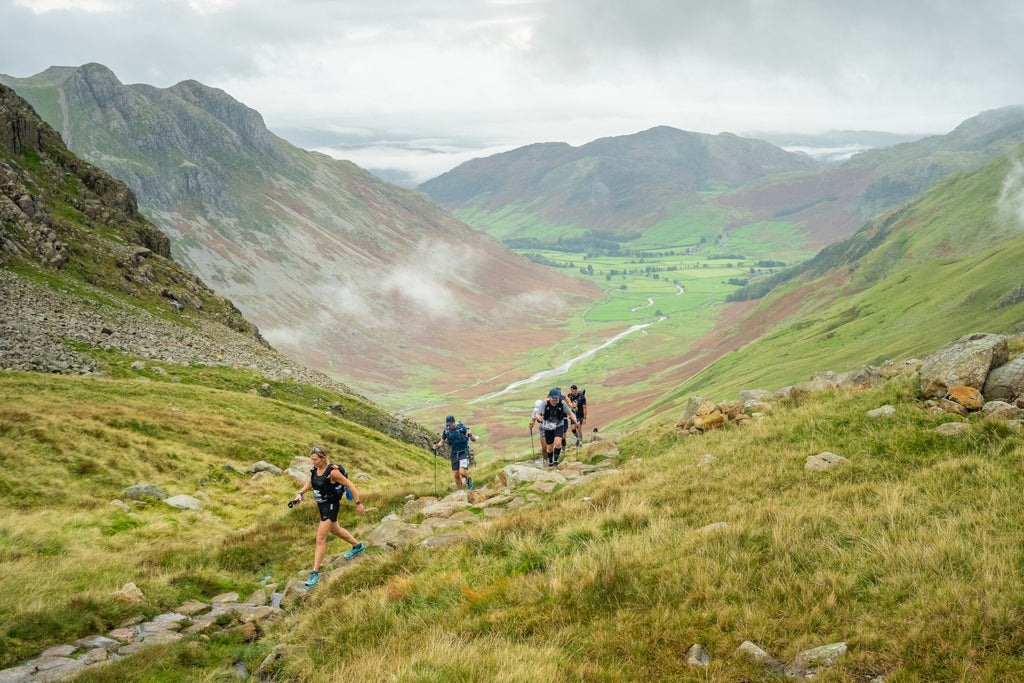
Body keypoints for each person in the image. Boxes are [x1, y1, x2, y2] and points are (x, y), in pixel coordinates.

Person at [291, 445, 366, 587]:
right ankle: (358, 546)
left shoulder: (333, 472)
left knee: (320, 539)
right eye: (311, 460)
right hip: (322, 506)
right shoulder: (314, 470)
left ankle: (314, 574)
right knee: (335, 529)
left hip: (331, 506)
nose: (313, 462)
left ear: (323, 458)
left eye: (315, 460)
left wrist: (358, 503)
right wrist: (300, 494)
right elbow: (310, 483)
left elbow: (350, 485)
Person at [434, 415, 477, 490]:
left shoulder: (462, 428)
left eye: (450, 424)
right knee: (456, 474)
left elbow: (473, 440)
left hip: (463, 452)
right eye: (448, 424)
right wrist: (437, 446)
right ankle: (460, 491)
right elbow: (442, 441)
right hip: (454, 453)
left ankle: (467, 478)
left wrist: (470, 435)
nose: (449, 426)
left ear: (454, 422)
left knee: (462, 472)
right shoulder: (446, 431)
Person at [539, 388, 578, 467]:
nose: (555, 400)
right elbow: (538, 414)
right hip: (548, 427)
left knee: (558, 442)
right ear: (550, 397)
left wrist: (576, 421)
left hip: (559, 425)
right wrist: (539, 418)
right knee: (549, 447)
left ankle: (556, 460)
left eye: (556, 398)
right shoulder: (544, 403)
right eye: (553, 398)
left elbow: (570, 413)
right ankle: (550, 461)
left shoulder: (562, 403)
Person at [528, 398, 547, 464]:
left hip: (550, 427)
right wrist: (531, 425)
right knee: (544, 447)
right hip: (542, 427)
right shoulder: (535, 410)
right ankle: (545, 460)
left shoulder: (547, 408)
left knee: (549, 446)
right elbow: (533, 419)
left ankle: (550, 459)